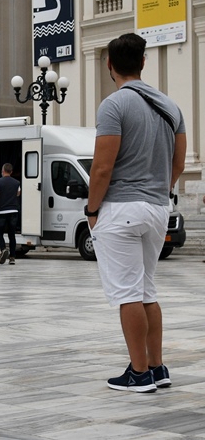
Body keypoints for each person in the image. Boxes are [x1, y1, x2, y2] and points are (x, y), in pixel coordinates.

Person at [87, 33, 185, 392]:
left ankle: (139, 373)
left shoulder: (113, 105)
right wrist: (158, 190)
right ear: (143, 62)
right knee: (146, 290)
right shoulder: (171, 106)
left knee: (128, 293)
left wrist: (92, 209)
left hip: (121, 209)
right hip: (157, 207)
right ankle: (157, 368)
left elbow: (102, 168)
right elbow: (177, 162)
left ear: (110, 65)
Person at [0, 163, 21, 265]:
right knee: (12, 235)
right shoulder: (16, 183)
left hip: (1, 212)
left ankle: (3, 249)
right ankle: (12, 257)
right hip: (13, 212)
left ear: (2, 171)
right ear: (11, 172)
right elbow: (18, 193)